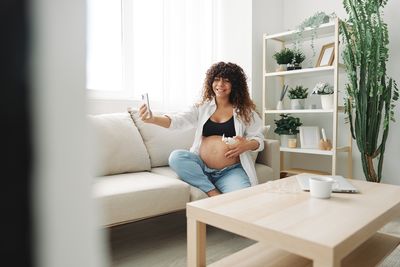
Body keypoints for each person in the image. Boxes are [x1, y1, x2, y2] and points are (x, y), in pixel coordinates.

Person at [139, 62, 264, 197]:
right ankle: (212, 191)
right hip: (202, 166)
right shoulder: (202, 107)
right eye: (216, 79)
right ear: (211, 81)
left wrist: (246, 145)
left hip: (230, 171)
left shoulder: (245, 111)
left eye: (226, 81)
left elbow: (259, 139)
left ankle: (215, 188)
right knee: (176, 156)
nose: (220, 84)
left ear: (235, 85)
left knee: (243, 198)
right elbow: (177, 120)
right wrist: (152, 119)